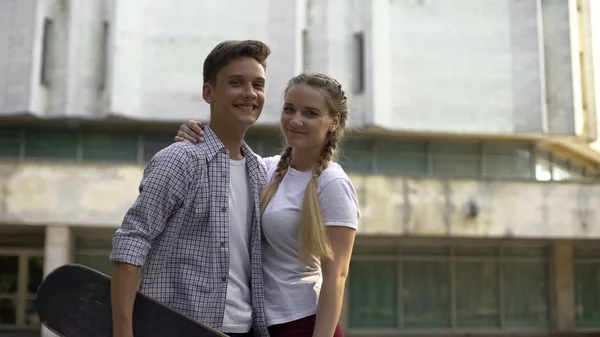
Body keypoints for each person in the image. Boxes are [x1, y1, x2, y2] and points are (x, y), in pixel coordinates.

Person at [174, 72, 360, 337]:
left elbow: (336, 277)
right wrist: (193, 134)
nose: (296, 120)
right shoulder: (267, 169)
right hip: (257, 323)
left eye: (310, 113)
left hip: (303, 324)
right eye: (289, 109)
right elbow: (219, 165)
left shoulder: (332, 183)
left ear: (333, 121)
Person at [109, 40, 272, 337]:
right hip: (178, 327)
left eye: (258, 85)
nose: (250, 93)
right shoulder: (180, 159)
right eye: (236, 83)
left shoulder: (260, 171)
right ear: (208, 92)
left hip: (246, 328)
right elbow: (131, 245)